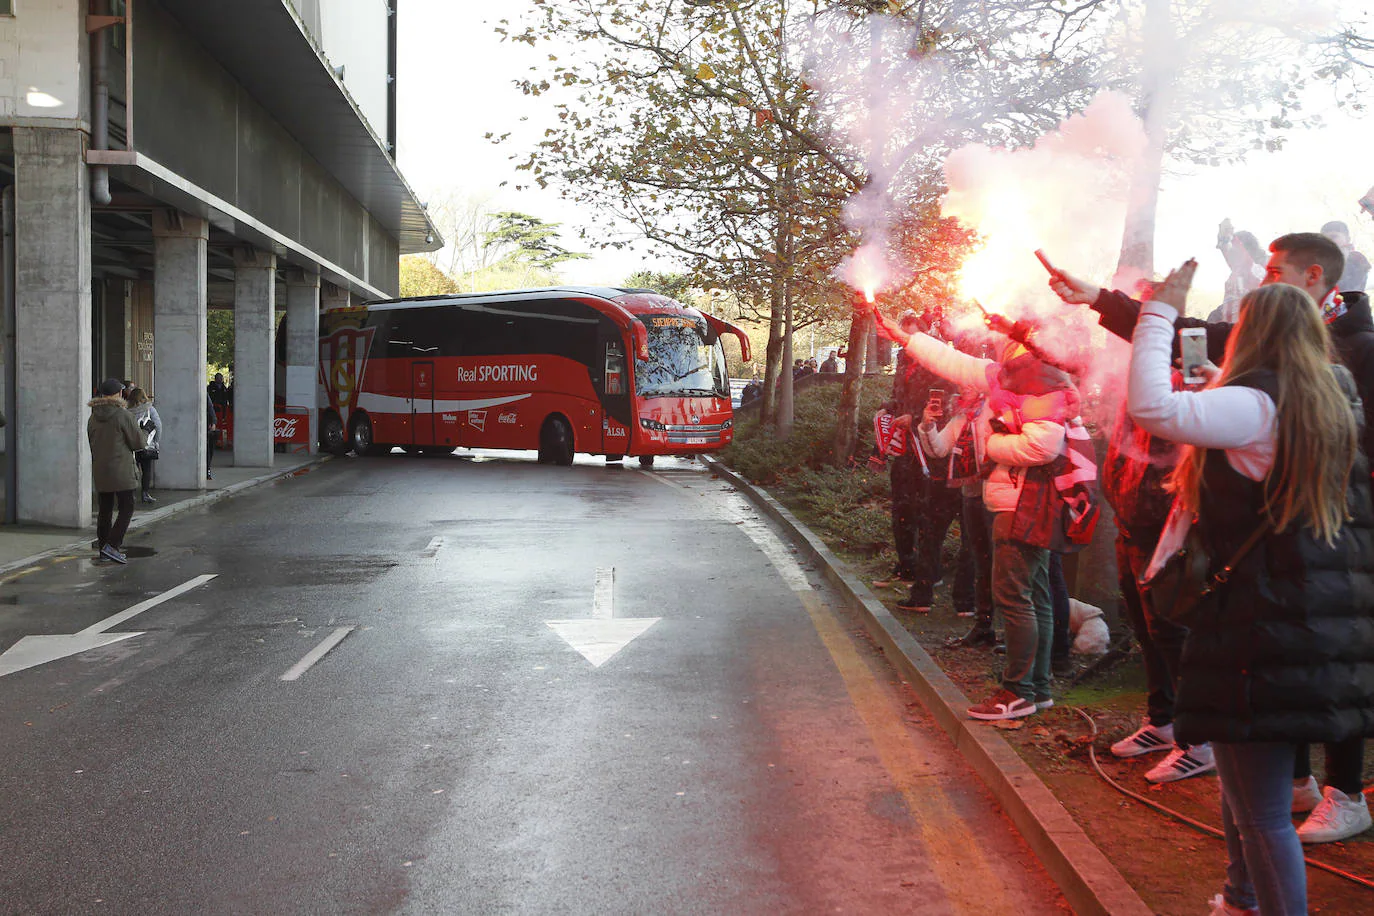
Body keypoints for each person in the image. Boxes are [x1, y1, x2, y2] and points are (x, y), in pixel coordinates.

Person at [1052, 233, 1374, 816]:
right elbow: (1188, 340)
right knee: (1288, 667)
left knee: (1331, 659)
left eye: (1274, 270)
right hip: (1272, 543)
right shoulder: (1262, 358)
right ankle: (1296, 778)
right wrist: (1101, 298)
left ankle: (1345, 790)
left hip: (1335, 532)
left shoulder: (1361, 349)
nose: (1261, 277)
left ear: (1313, 276)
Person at [1127, 267, 1374, 916]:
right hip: (1308, 622)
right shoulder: (1328, 395)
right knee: (1245, 795)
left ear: (1254, 334)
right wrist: (1219, 388)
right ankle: (1240, 901)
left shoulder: (1258, 403)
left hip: (1258, 629)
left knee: (1262, 814)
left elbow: (1154, 408)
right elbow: (1262, 433)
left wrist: (1159, 314)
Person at [876, 308, 1080, 720]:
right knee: (1033, 594)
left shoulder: (1037, 382)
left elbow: (1042, 446)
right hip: (1023, 503)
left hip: (1022, 505)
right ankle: (1036, 689)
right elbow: (954, 362)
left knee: (1017, 597)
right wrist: (905, 337)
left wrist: (992, 448)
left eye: (1003, 336)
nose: (993, 341)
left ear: (1024, 342)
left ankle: (1018, 691)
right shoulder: (1013, 376)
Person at [87, 378, 146, 564]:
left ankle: (104, 547)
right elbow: (138, 443)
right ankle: (112, 546)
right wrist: (145, 431)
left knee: (104, 509)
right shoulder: (123, 415)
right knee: (127, 507)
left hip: (101, 469)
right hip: (121, 470)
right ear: (119, 394)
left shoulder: (93, 416)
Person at [1209, 220, 1264, 323]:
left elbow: (1246, 263)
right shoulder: (1238, 273)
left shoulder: (1257, 272)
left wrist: (1227, 238)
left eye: (1234, 250)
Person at [126, 387, 162, 504]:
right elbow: (158, 425)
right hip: (147, 444)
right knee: (146, 470)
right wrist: (156, 441)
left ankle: (131, 494)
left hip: (131, 445)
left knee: (132, 470)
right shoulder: (149, 409)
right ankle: (145, 493)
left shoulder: (127, 410)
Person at [1322, 220, 1370, 292]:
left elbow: (1349, 288)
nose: (1329, 241)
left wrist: (1342, 258)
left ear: (1347, 239)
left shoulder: (1357, 260)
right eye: (1324, 238)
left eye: (1334, 236)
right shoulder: (1318, 260)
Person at [206, 391, 218, 481]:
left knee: (208, 450)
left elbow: (210, 407)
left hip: (206, 424)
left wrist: (213, 422)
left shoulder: (204, 393)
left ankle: (207, 471)